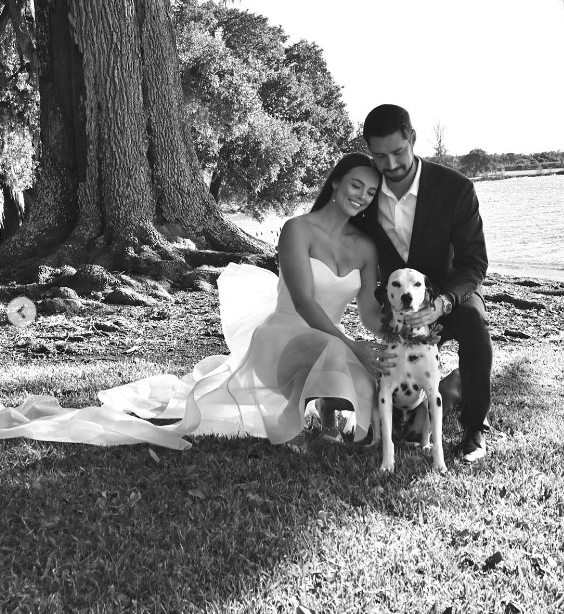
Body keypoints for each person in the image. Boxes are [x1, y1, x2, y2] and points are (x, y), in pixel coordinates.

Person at [0, 153, 393, 451]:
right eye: (356, 185)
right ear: (337, 181)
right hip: (284, 343)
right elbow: (306, 303)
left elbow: (368, 309)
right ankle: (311, 419)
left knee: (365, 368)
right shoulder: (297, 230)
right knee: (338, 351)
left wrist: (391, 335)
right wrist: (352, 345)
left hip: (329, 341)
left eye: (372, 192)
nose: (362, 196)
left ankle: (331, 407)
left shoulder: (365, 246)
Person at [352, 104, 493, 463]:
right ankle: (396, 418)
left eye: (399, 152)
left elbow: (474, 261)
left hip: (448, 296)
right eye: (380, 156)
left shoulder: (456, 189)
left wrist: (443, 303)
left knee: (476, 326)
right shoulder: (367, 197)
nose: (392, 164)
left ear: (412, 139)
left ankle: (474, 430)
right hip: (397, 302)